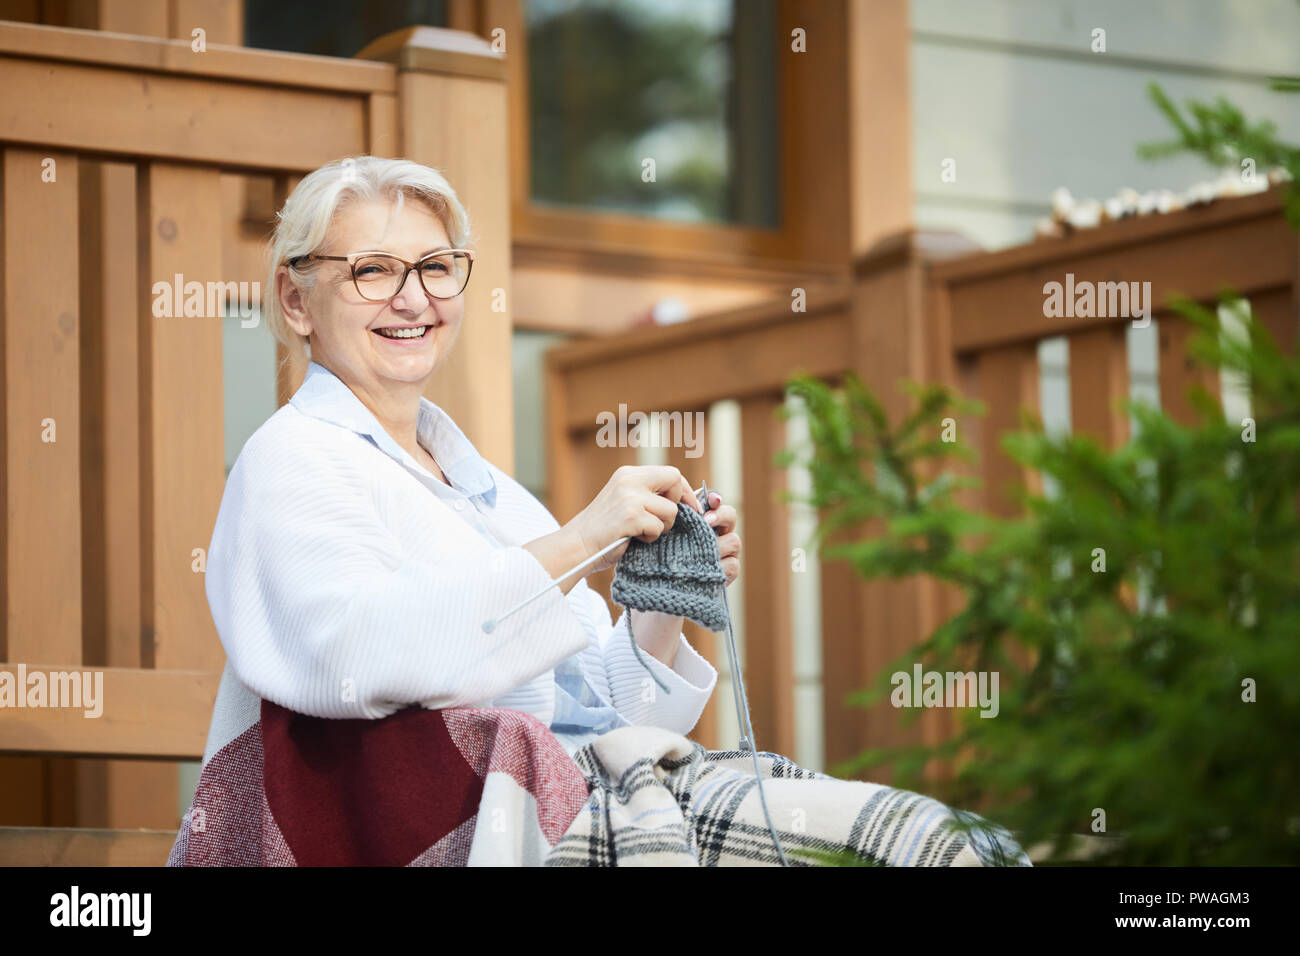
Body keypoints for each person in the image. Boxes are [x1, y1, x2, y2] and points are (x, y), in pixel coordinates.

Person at [200, 155, 1030, 867]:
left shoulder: (483, 487)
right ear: (298, 300)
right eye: (373, 270)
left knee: (953, 844)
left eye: (436, 266)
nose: (413, 298)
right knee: (917, 850)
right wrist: (583, 540)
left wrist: (656, 600)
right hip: (490, 824)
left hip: (593, 797)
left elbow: (608, 709)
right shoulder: (292, 458)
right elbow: (353, 655)